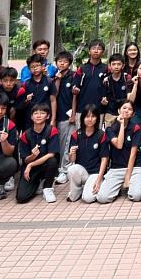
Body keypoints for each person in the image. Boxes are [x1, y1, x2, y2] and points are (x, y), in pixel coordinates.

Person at [95, 100, 141, 203]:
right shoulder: (110, 129)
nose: (126, 110)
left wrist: (128, 176)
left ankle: (130, 184)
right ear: (119, 110)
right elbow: (119, 145)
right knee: (102, 198)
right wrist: (122, 125)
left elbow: (133, 154)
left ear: (133, 114)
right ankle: (117, 189)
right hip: (117, 168)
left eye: (130, 109)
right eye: (124, 108)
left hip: (135, 167)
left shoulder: (136, 128)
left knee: (136, 196)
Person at [16, 103, 60, 203]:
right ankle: (38, 183)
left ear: (48, 116)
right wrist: (32, 156)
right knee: (21, 198)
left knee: (52, 161)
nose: (38, 115)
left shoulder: (52, 131)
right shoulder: (25, 135)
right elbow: (25, 159)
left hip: (45, 166)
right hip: (31, 169)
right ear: (31, 117)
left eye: (42, 113)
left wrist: (31, 164)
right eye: (35, 113)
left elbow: (51, 154)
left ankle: (47, 187)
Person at [66, 105, 108, 203]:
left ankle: (94, 186)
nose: (90, 119)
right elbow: (72, 160)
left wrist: (99, 179)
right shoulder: (76, 134)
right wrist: (72, 153)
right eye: (87, 116)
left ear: (97, 118)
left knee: (88, 199)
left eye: (93, 116)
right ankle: (76, 192)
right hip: (83, 172)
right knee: (72, 169)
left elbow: (104, 159)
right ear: (83, 118)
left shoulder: (101, 135)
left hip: (96, 173)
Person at [53, 51, 77, 185]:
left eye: (65, 61)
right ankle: (61, 168)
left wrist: (73, 113)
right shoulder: (53, 77)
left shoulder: (73, 76)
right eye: (60, 61)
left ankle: (65, 170)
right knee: (61, 144)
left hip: (69, 115)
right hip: (59, 115)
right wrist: (57, 80)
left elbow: (75, 96)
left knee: (69, 142)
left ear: (69, 63)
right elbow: (54, 96)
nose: (62, 63)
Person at [74, 39, 107, 121]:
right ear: (89, 51)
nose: (96, 51)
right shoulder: (81, 68)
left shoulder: (107, 69)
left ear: (103, 52)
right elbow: (75, 87)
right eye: (93, 48)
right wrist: (74, 89)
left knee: (98, 133)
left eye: (99, 49)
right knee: (81, 132)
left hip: (99, 109)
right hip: (82, 108)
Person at [21, 54, 57, 127]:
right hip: (30, 119)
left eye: (37, 66)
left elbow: (53, 101)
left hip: (45, 117)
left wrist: (53, 119)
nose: (35, 68)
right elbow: (23, 104)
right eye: (32, 67)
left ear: (43, 66)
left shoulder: (49, 81)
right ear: (28, 69)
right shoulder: (26, 84)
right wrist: (27, 100)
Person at [103, 53, 129, 127]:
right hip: (110, 112)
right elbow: (104, 96)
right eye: (113, 64)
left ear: (123, 65)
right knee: (109, 134)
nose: (116, 66)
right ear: (110, 66)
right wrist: (104, 101)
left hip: (124, 112)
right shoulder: (106, 80)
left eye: (118, 64)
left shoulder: (127, 78)